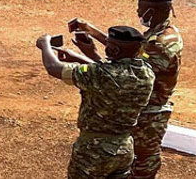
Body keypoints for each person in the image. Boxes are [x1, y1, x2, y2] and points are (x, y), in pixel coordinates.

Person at [70, 0, 184, 179]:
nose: (138, 13)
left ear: (153, 11)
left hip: (149, 114)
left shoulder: (162, 43)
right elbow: (127, 53)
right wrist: (91, 30)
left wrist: (91, 58)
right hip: (140, 108)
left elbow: (126, 75)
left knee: (141, 165)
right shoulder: (158, 35)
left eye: (142, 9)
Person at [36, 26, 156, 179]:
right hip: (124, 149)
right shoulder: (147, 72)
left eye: (109, 44)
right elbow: (109, 74)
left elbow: (54, 67)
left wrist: (45, 44)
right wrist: (79, 57)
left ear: (115, 51)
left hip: (94, 150)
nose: (106, 46)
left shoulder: (99, 74)